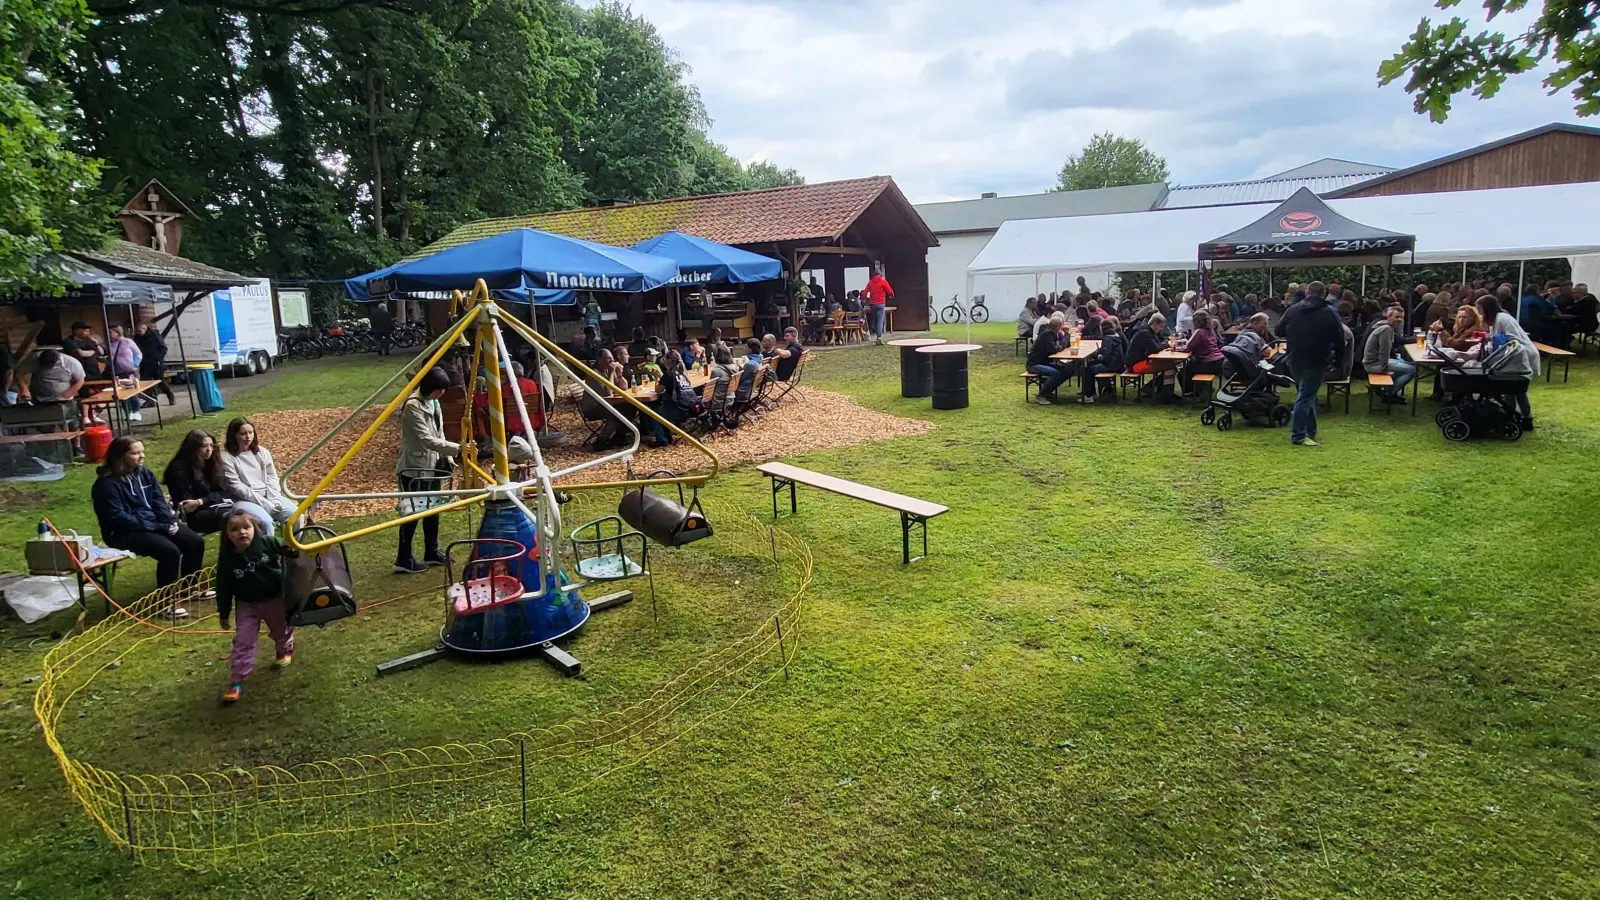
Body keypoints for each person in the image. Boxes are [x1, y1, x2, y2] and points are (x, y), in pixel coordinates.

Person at [91, 436, 204, 615]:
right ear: (120, 456)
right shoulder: (106, 485)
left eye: (142, 452)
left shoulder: (145, 474)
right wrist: (157, 527)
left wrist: (170, 521)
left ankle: (189, 588)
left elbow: (158, 501)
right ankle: (166, 602)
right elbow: (118, 518)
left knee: (194, 541)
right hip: (122, 532)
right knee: (169, 552)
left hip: (154, 524)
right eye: (135, 453)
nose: (142, 456)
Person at [215, 507, 295, 706]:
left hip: (274, 598)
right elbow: (223, 587)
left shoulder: (267, 542)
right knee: (243, 640)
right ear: (227, 534)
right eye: (234, 529)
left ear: (254, 528)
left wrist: (292, 550)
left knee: (281, 628)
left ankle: (284, 650)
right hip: (247, 605)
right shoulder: (227, 558)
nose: (241, 532)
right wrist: (224, 613)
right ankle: (237, 682)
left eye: (246, 527)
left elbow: (288, 550)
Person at [395, 366, 460, 573]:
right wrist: (458, 448)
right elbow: (426, 439)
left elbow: (439, 432)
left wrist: (448, 456)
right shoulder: (412, 406)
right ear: (428, 387)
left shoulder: (434, 402)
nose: (441, 394)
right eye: (438, 390)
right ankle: (404, 558)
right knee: (412, 512)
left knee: (433, 509)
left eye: (442, 390)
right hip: (414, 468)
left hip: (432, 465)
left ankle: (431, 551)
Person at [164, 429, 273, 535]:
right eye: (204, 446)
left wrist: (201, 501)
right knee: (240, 520)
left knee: (252, 519)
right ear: (193, 448)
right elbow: (188, 505)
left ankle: (262, 545)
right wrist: (206, 500)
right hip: (195, 516)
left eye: (211, 445)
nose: (209, 450)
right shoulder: (179, 470)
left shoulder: (211, 463)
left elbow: (223, 491)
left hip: (218, 506)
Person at [1274, 281, 1343, 446]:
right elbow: (1339, 339)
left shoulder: (1293, 309)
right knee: (1306, 396)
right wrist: (1338, 361)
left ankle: (1310, 430)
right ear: (1324, 293)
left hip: (1294, 358)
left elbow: (1278, 330)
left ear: (1307, 292)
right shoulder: (1329, 312)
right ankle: (1298, 435)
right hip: (1317, 358)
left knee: (1306, 394)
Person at [1477, 295, 1540, 431]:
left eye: (1480, 310)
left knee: (1517, 390)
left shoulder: (1503, 319)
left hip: (1520, 357)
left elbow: (1512, 339)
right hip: (1512, 358)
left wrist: (1491, 337)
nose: (1480, 314)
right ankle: (1512, 415)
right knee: (1511, 390)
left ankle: (1525, 418)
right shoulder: (1497, 320)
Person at [219, 417, 296, 525]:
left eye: (250, 433)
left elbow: (272, 477)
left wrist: (274, 499)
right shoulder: (226, 457)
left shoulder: (262, 452)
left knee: (296, 515)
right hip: (243, 500)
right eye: (243, 434)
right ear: (234, 435)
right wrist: (265, 504)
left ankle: (293, 537)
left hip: (268, 495)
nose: (248, 437)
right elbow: (236, 486)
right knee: (266, 523)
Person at [647, 350, 700, 446]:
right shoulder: (681, 373)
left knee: (654, 413)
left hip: (679, 409)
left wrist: (656, 378)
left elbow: (658, 390)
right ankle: (667, 435)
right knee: (662, 409)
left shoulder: (668, 374)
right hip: (691, 406)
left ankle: (662, 440)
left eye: (665, 358)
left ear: (669, 360)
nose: (663, 360)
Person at [1079, 316, 1126, 404]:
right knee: (1090, 365)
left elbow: (1105, 357)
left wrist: (1095, 356)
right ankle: (1093, 393)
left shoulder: (1108, 339)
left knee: (1088, 370)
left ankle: (1089, 395)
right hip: (1117, 364)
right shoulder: (1115, 337)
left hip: (1112, 366)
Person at [1026, 313, 1071, 405]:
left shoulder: (1054, 333)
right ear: (1058, 326)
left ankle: (1049, 391)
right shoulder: (1046, 334)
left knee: (1068, 370)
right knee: (1056, 373)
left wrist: (1063, 335)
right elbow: (1055, 349)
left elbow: (1064, 346)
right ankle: (1042, 395)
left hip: (1046, 362)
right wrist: (1066, 335)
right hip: (1034, 364)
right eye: (1062, 325)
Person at [15, 348, 84, 403]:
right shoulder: (33, 358)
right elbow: (19, 373)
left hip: (63, 399)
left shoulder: (71, 362)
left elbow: (80, 380)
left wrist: (66, 396)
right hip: (39, 398)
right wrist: (24, 389)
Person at [1179, 309, 1224, 392]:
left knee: (1184, 370)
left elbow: (1187, 348)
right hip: (1219, 362)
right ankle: (1202, 388)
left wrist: (1175, 348)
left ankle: (1191, 392)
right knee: (1192, 364)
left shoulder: (1199, 331)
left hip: (1210, 363)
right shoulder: (1210, 331)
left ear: (1196, 322)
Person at [105, 325, 144, 421]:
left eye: (111, 332)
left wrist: (135, 364)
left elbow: (138, 354)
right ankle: (128, 412)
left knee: (132, 391)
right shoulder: (109, 345)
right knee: (121, 393)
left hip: (130, 371)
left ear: (117, 332)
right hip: (117, 372)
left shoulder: (127, 342)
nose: (109, 334)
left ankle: (136, 411)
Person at [133, 322, 175, 406]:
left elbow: (163, 348)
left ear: (145, 329)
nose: (139, 332)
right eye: (138, 331)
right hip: (144, 362)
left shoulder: (154, 335)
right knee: (146, 382)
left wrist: (157, 358)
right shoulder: (137, 338)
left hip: (156, 362)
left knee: (160, 381)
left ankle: (170, 395)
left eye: (140, 330)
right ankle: (151, 400)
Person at [861, 266, 894, 344]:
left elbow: (865, 292)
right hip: (880, 303)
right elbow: (890, 291)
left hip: (872, 304)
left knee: (876, 320)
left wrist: (863, 300)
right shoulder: (883, 281)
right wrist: (891, 295)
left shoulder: (870, 282)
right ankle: (879, 338)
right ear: (880, 274)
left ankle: (876, 333)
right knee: (880, 320)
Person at [708, 343, 736, 423]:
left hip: (719, 402)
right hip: (731, 397)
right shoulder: (734, 367)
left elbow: (711, 388)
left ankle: (709, 418)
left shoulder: (716, 370)